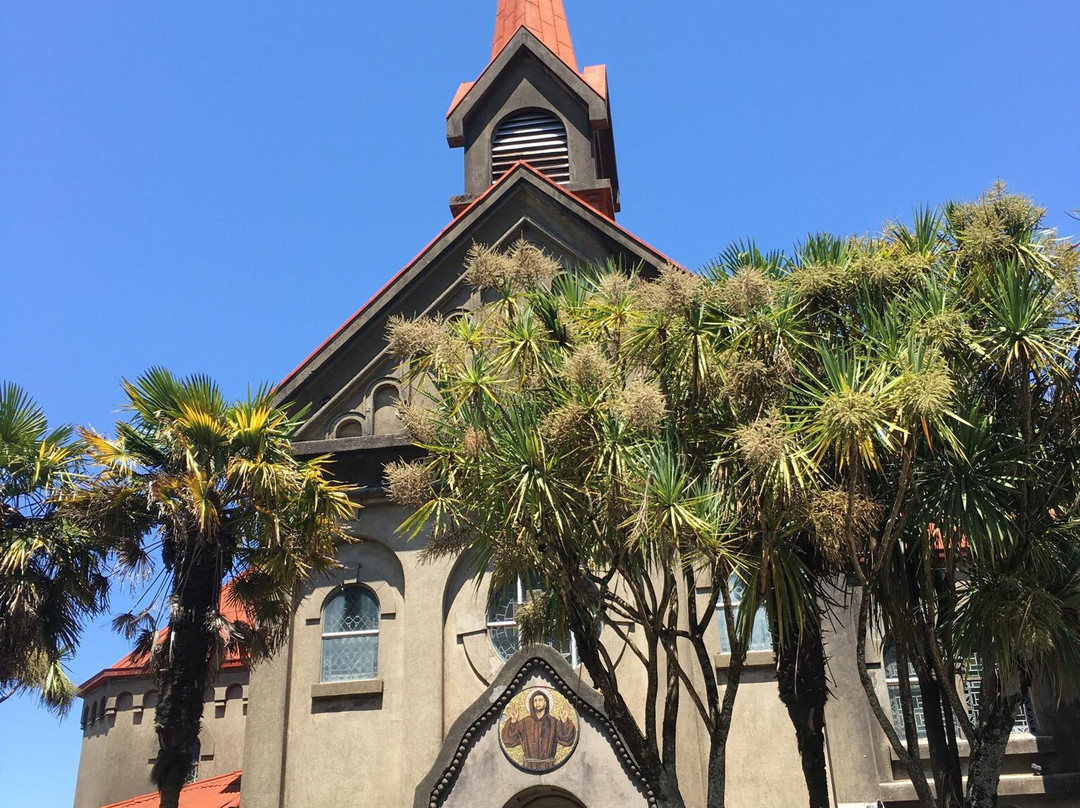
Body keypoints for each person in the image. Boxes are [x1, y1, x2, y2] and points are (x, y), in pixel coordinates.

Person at [500, 689, 577, 771]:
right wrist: (513, 721)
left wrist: (564, 721)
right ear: (532, 704)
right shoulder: (524, 723)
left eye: (540, 700)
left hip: (549, 766)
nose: (537, 703)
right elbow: (509, 741)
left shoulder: (554, 722)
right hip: (528, 766)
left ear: (545, 703)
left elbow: (566, 740)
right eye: (535, 701)